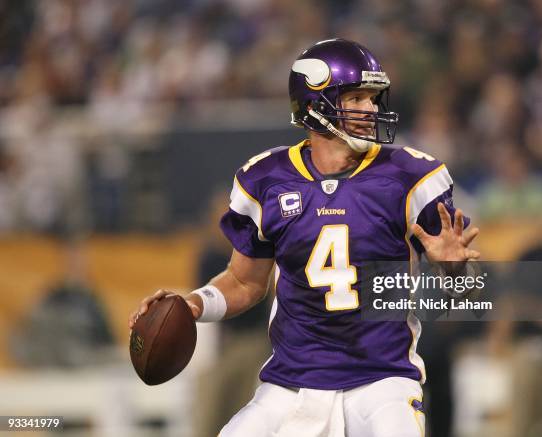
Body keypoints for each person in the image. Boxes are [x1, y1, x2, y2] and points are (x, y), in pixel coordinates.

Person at [129, 38, 480, 437]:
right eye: (357, 98)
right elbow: (245, 282)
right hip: (292, 382)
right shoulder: (266, 179)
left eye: (373, 98)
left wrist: (455, 271)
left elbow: (469, 291)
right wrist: (193, 303)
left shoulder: (410, 176)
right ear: (316, 105)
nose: (371, 108)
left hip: (381, 380)